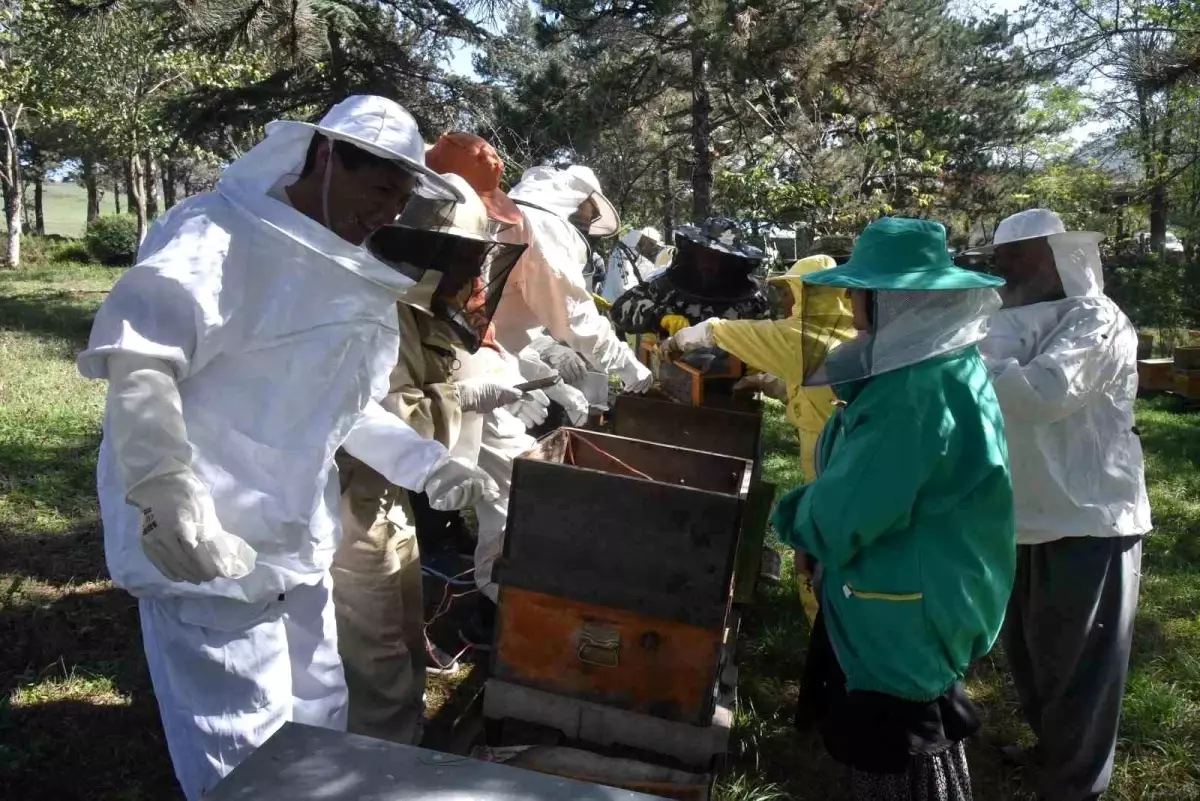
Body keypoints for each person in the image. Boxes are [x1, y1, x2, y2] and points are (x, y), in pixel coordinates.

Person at [77, 96, 497, 800]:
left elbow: (344, 404)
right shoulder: (218, 233)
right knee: (244, 761)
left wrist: (428, 464)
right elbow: (141, 357)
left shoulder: (350, 271)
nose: (387, 213)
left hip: (298, 544)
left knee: (321, 738)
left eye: (400, 198)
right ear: (327, 157)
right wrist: (161, 489)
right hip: (208, 551)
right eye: (379, 190)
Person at [770, 217, 1016, 800]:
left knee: (900, 751)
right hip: (918, 581)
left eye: (862, 290)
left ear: (894, 299)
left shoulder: (915, 392)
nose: (852, 301)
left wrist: (796, 525)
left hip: (906, 601)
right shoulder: (935, 366)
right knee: (913, 734)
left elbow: (850, 507)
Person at [330, 171, 528, 741]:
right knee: (376, 644)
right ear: (425, 247)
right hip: (349, 494)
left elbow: (445, 371)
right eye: (461, 254)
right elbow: (380, 415)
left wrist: (499, 381)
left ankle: (400, 740)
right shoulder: (370, 309)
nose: (470, 272)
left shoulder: (410, 308)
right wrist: (465, 399)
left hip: (387, 493)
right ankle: (375, 759)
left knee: (401, 623)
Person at [425, 148, 647, 621]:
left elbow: (504, 320)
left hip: (478, 356)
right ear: (579, 202)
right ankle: (498, 594)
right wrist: (631, 367)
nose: (590, 220)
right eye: (590, 210)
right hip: (457, 365)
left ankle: (473, 571)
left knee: (482, 471)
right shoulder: (544, 229)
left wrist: (536, 367)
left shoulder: (514, 221)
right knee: (508, 478)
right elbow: (576, 317)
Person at [979, 209, 1151, 801]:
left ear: (1060, 258)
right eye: (1004, 259)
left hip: (1089, 516)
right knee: (1032, 655)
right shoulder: (1000, 321)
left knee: (1082, 666)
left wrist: (972, 369)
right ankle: (1053, 751)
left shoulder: (1096, 319)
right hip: (1021, 514)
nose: (1008, 269)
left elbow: (1043, 393)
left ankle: (1075, 785)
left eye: (1022, 257)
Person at [659, 254, 855, 479]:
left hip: (831, 449)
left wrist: (675, 341)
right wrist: (762, 382)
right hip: (849, 441)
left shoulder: (800, 338)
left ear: (805, 293)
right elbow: (815, 386)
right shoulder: (845, 331)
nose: (783, 300)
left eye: (786, 291)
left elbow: (716, 331)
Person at [611, 216, 772, 339]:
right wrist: (660, 318)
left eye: (717, 258)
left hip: (742, 379)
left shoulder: (754, 299)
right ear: (694, 254)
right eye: (704, 256)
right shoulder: (666, 286)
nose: (708, 264)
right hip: (676, 375)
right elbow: (620, 308)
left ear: (733, 262)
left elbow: (770, 336)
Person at [600, 227, 668, 305]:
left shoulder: (639, 256)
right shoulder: (621, 253)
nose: (652, 248)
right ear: (644, 240)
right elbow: (622, 287)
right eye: (652, 244)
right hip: (612, 303)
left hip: (625, 303)